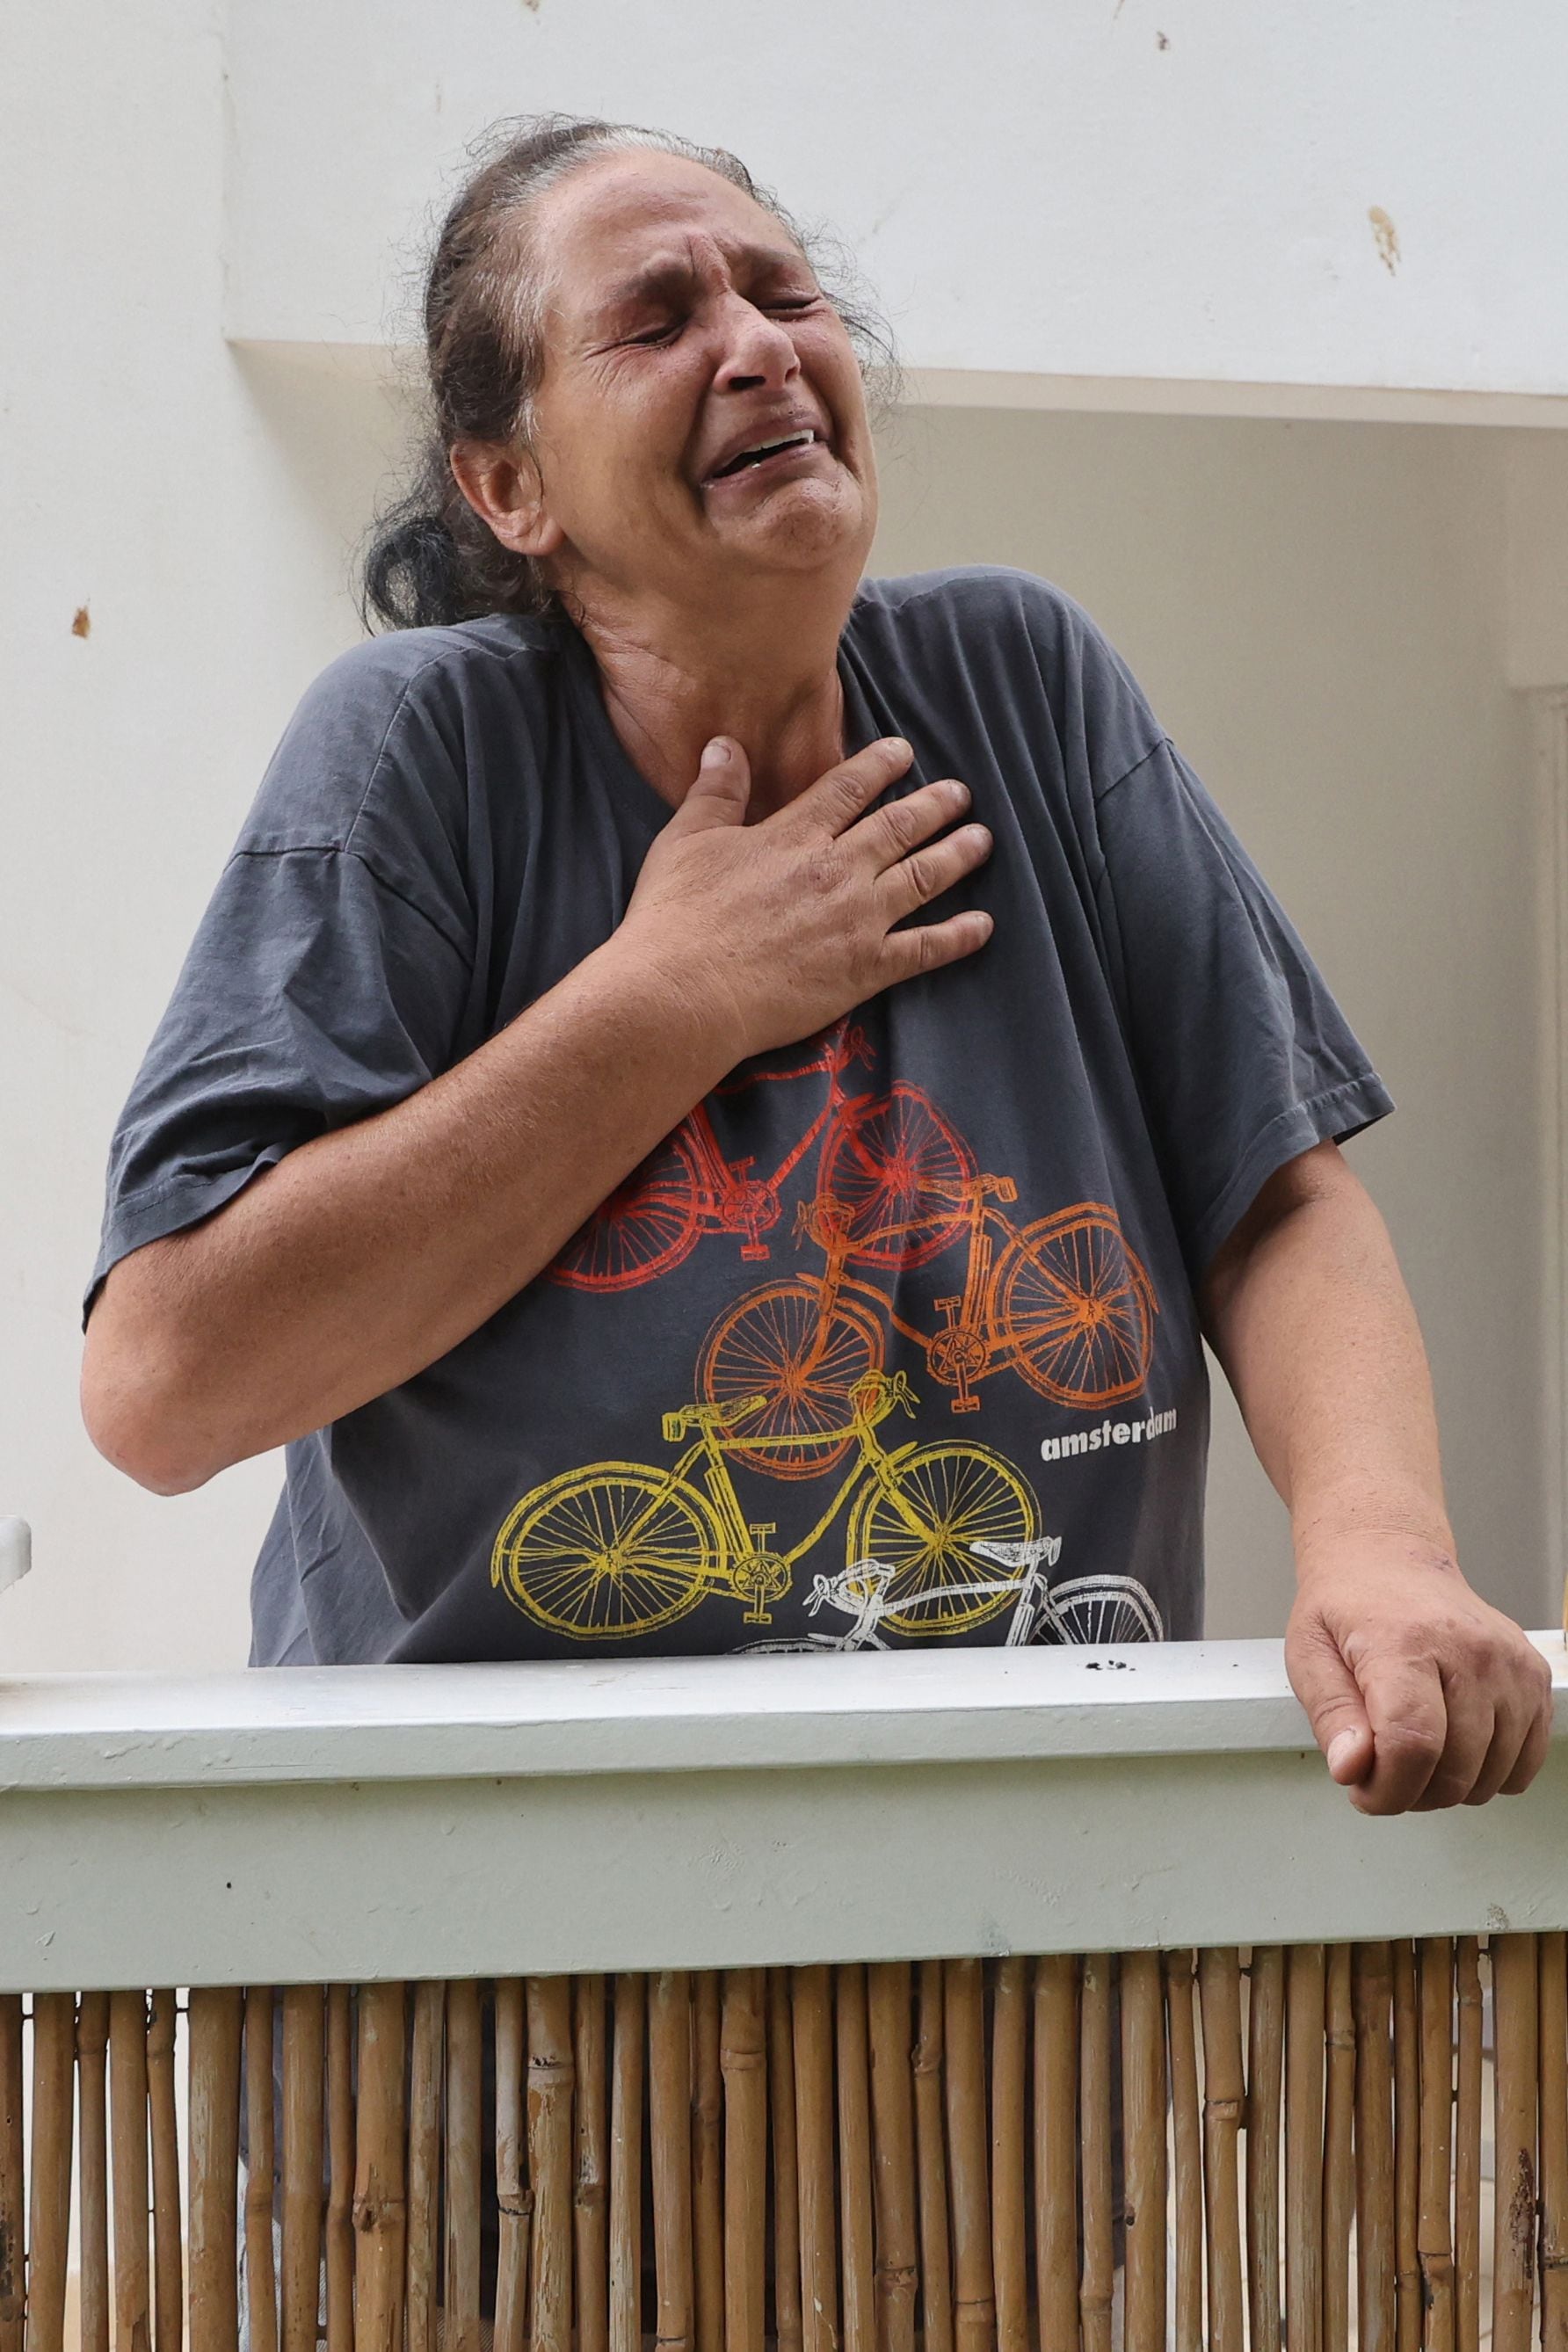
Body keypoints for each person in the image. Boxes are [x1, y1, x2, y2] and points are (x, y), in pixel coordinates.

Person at [82, 114, 1550, 1818]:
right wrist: (674, 996)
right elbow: (169, 1383)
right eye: (655, 319)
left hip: (1013, 1918)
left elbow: (1275, 1204)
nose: (759, 344)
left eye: (787, 292)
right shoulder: (422, 753)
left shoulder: (1019, 681)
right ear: (509, 485)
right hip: (490, 1932)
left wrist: (1377, 1552)